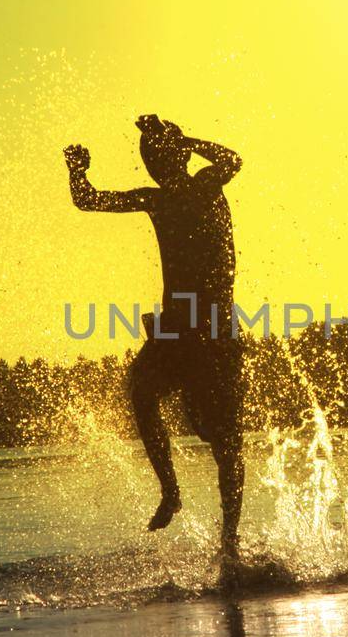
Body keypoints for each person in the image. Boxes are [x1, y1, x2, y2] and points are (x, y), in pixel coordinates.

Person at [64, 115, 247, 565]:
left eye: (159, 156)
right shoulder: (156, 200)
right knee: (141, 392)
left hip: (215, 327)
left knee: (223, 440)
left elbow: (232, 159)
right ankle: (170, 491)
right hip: (173, 325)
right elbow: (87, 201)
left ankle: (229, 543)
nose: (153, 166)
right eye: (149, 159)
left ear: (179, 155)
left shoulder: (206, 186)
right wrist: (76, 170)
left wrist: (184, 137)